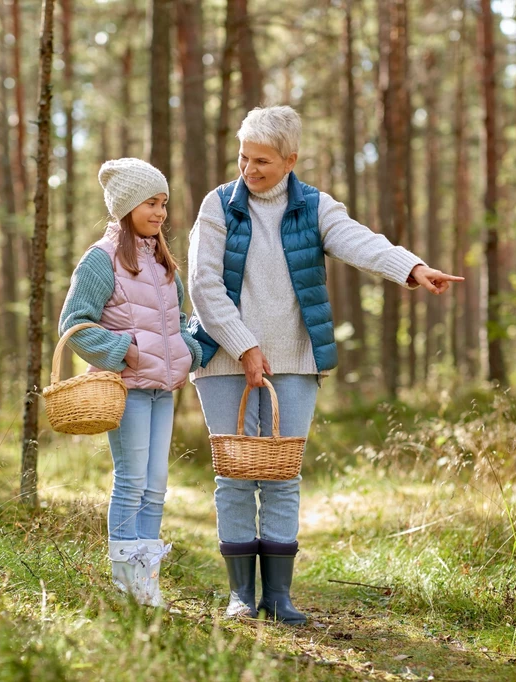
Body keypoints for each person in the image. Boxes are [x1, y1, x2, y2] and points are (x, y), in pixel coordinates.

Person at [188, 106, 462, 624]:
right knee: (236, 475)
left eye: (263, 162)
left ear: (291, 160)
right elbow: (202, 285)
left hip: (294, 359)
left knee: (282, 476)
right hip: (224, 357)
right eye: (244, 158)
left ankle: (279, 596)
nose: (249, 170)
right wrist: (245, 346)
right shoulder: (218, 205)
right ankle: (241, 595)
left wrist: (413, 267)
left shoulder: (314, 207)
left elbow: (359, 241)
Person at [59, 158, 202, 606]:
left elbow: (178, 321)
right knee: (132, 480)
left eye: (163, 203)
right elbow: (75, 324)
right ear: (126, 206)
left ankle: (147, 579)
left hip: (163, 389)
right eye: (150, 203)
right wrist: (128, 351)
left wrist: (188, 352)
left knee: (157, 482)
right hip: (128, 388)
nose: (160, 212)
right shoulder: (100, 261)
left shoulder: (162, 263)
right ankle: (126, 584)